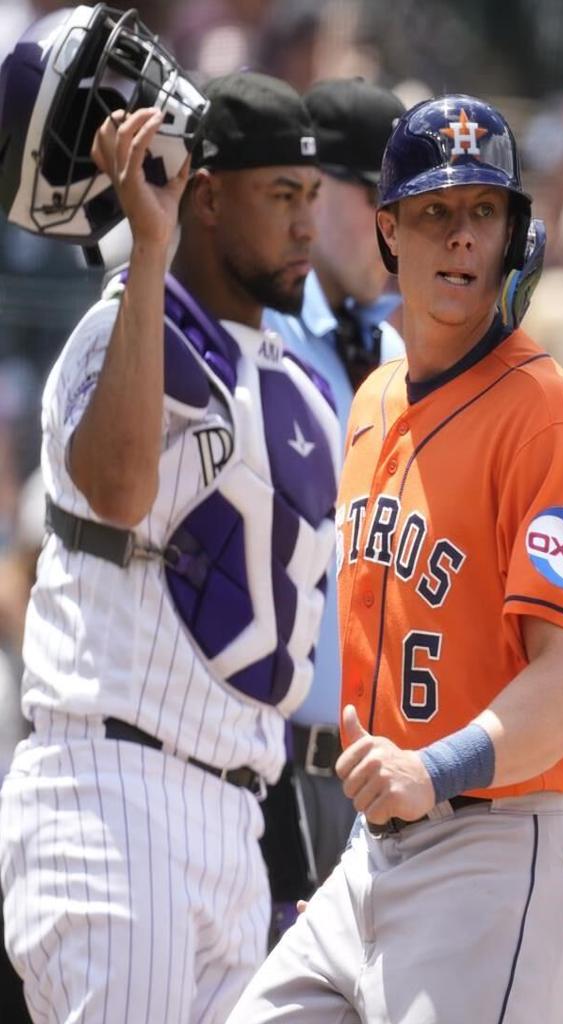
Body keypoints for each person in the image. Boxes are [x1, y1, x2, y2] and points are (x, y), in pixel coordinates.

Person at [226, 94, 563, 1024]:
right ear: (389, 232)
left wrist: (431, 773)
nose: (462, 237)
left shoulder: (548, 422)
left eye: (485, 211)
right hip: (379, 851)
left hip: (494, 846)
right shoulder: (371, 403)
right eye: (436, 212)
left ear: (517, 231)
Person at [0, 63, 341, 1024]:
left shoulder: (299, 386)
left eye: (314, 195)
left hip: (235, 816)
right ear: (207, 196)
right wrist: (148, 252)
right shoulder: (118, 328)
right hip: (110, 788)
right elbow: (116, 490)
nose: (307, 223)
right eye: (282, 194)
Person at [264, 77, 405, 889]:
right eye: (383, 199)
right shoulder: (257, 327)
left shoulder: (397, 359)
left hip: (371, 786)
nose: (400, 230)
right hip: (260, 774)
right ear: (314, 192)